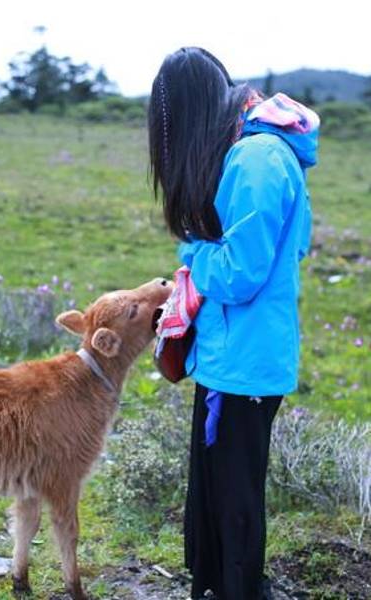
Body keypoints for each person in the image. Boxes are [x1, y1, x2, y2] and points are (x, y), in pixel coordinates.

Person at [148, 47, 320, 600]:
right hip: (233, 355)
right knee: (219, 490)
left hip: (245, 361)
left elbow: (241, 274)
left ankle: (239, 590)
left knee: (234, 500)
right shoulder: (258, 153)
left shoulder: (255, 159)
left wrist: (193, 252)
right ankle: (217, 587)